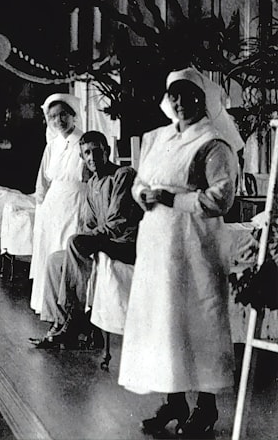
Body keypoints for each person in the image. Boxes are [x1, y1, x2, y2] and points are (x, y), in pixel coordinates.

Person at [119, 68, 242, 438]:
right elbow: (140, 182)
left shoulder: (213, 143)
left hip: (194, 246)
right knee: (163, 323)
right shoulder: (157, 138)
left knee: (197, 322)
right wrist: (144, 195)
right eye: (173, 95)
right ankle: (174, 401)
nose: (179, 102)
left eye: (188, 95)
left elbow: (222, 198)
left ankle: (205, 408)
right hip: (157, 244)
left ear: (202, 99)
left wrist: (173, 198)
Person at [32, 130, 142, 348]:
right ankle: (60, 322)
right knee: (55, 259)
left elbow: (118, 221)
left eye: (96, 152)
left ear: (107, 151)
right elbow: (88, 224)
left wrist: (87, 239)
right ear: (81, 157)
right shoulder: (92, 184)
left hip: (125, 243)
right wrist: (88, 237)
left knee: (75, 242)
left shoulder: (122, 175)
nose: (92, 158)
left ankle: (75, 320)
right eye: (87, 154)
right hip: (105, 241)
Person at [28, 93, 88, 316]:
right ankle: (52, 311)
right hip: (53, 209)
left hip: (75, 206)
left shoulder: (83, 142)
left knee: (66, 256)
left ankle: (70, 313)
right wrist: (41, 208)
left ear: (73, 115)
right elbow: (43, 180)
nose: (58, 120)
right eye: (53, 116)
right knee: (50, 255)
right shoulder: (52, 145)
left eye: (63, 114)